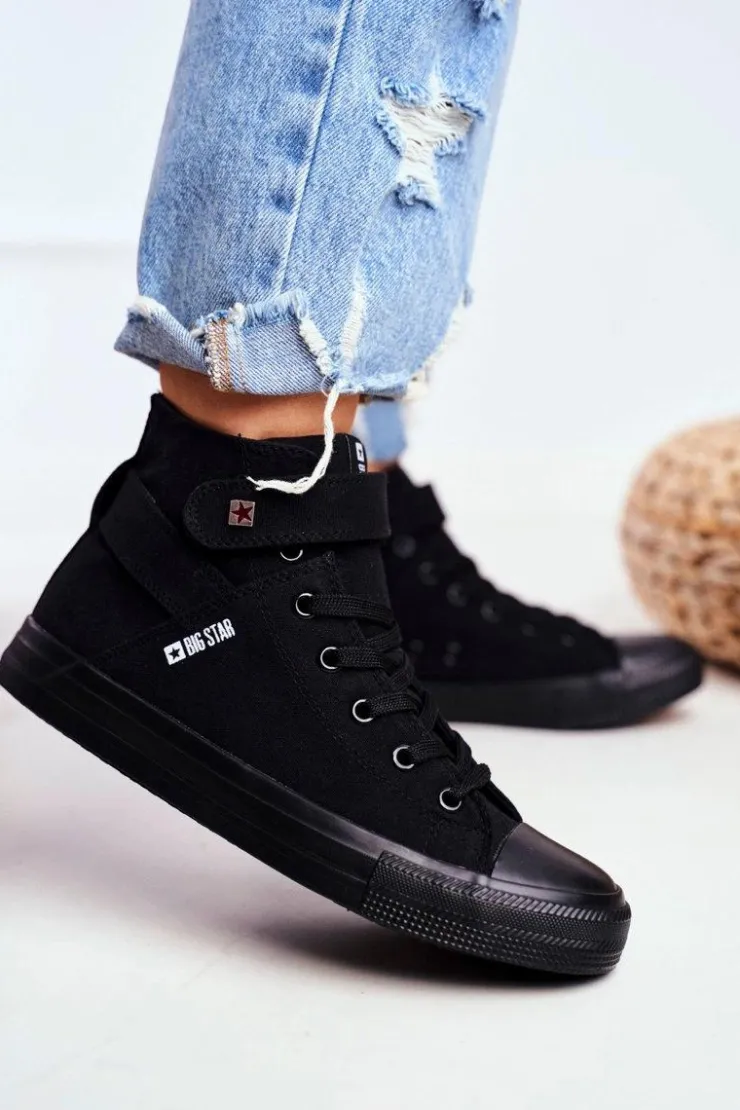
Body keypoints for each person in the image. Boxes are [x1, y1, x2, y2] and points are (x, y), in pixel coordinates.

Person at [1, 0, 699, 975]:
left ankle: (359, 502)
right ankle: (243, 518)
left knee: (439, 39)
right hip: (226, 509)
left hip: (343, 449)